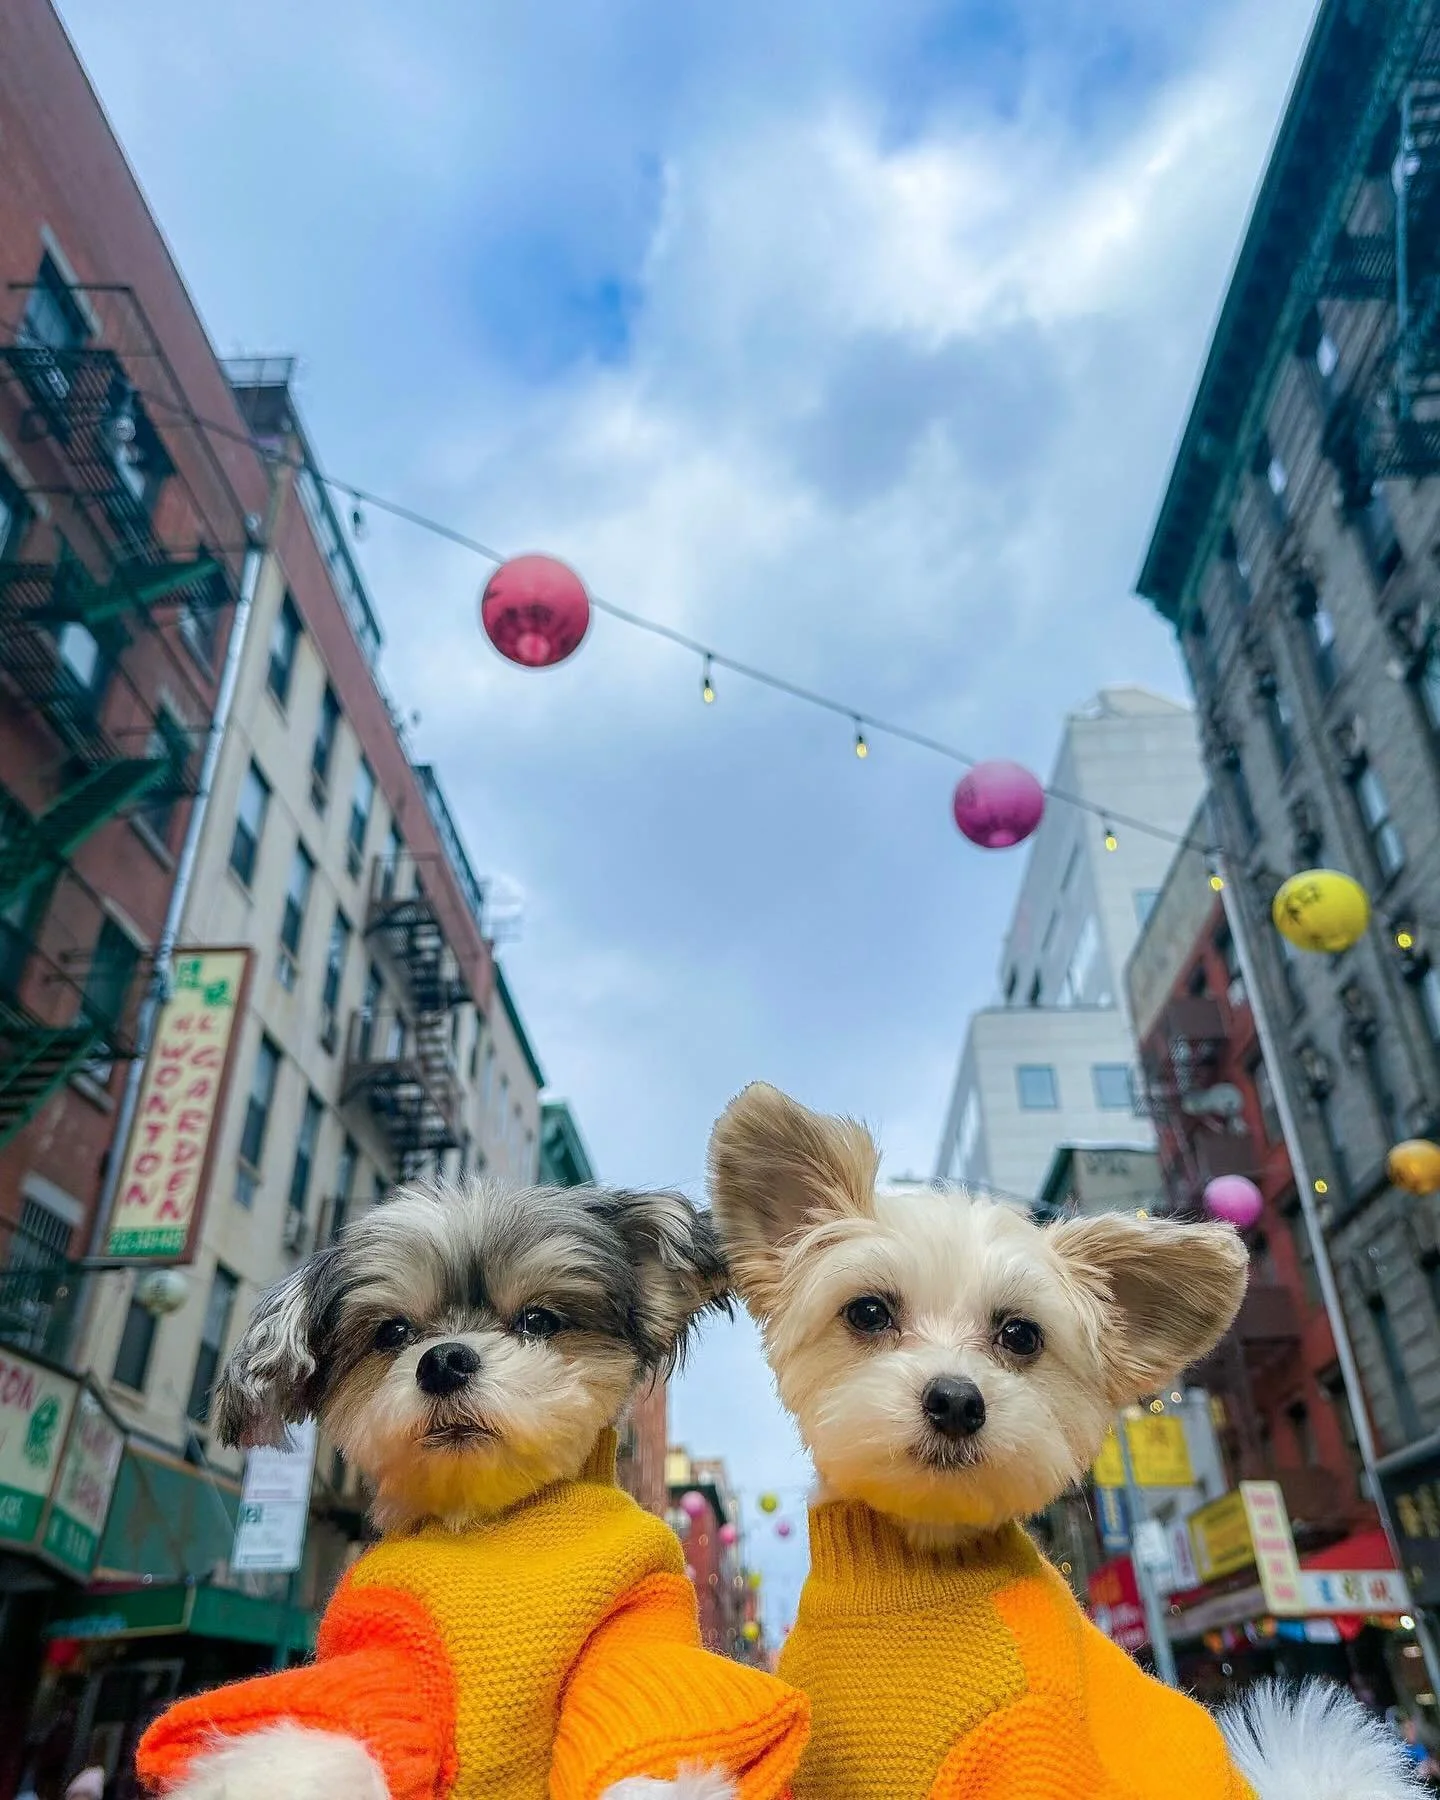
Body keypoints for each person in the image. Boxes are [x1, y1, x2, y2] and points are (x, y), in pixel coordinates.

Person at [1399, 1716, 1439, 1784]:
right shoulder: (1401, 1748)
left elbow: (1426, 1760)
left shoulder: (1420, 1746)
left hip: (1426, 1773)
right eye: (1408, 1729)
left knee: (1433, 1765)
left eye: (1412, 1729)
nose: (1411, 1732)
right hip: (1412, 1776)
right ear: (1403, 1732)